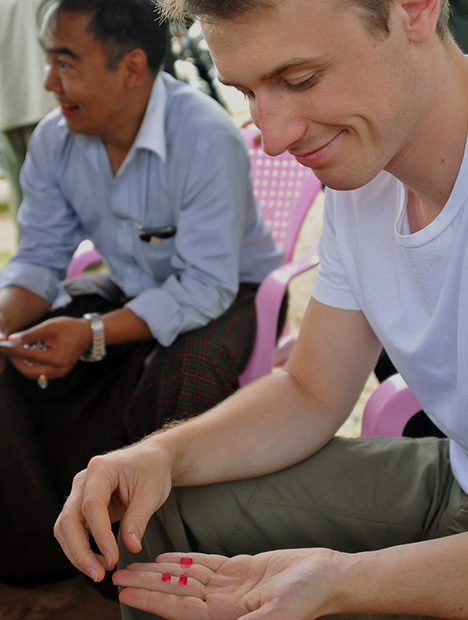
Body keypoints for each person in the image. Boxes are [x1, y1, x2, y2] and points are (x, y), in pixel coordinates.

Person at [53, 0, 468, 617]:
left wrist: (340, 582)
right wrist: (157, 454)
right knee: (152, 521)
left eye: (300, 79)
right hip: (453, 482)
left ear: (413, 9)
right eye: (246, 90)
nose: (272, 140)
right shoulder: (366, 181)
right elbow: (310, 389)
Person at [0, 0, 283, 586]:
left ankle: (153, 571)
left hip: (233, 290)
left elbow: (206, 286)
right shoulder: (55, 139)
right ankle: (43, 563)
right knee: (12, 363)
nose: (50, 83)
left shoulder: (205, 136)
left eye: (66, 63)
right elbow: (39, 260)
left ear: (131, 67)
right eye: (50, 62)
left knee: (185, 380)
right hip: (130, 283)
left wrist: (94, 333)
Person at [0, 0, 56, 221]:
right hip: (42, 100)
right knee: (49, 183)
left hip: (8, 104)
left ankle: (26, 246)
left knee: (19, 182)